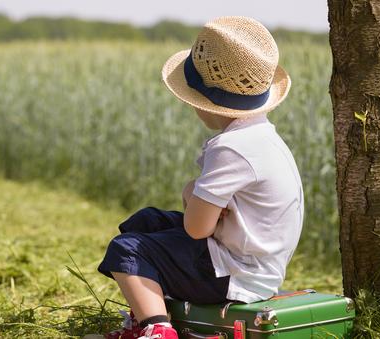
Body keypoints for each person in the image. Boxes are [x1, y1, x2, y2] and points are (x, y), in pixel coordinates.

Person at [97, 16, 304, 339]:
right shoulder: (261, 136)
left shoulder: (232, 148)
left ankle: (157, 329)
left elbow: (196, 228)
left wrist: (190, 190)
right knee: (147, 221)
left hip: (236, 273)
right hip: (252, 260)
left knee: (127, 249)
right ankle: (146, 316)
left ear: (205, 103)